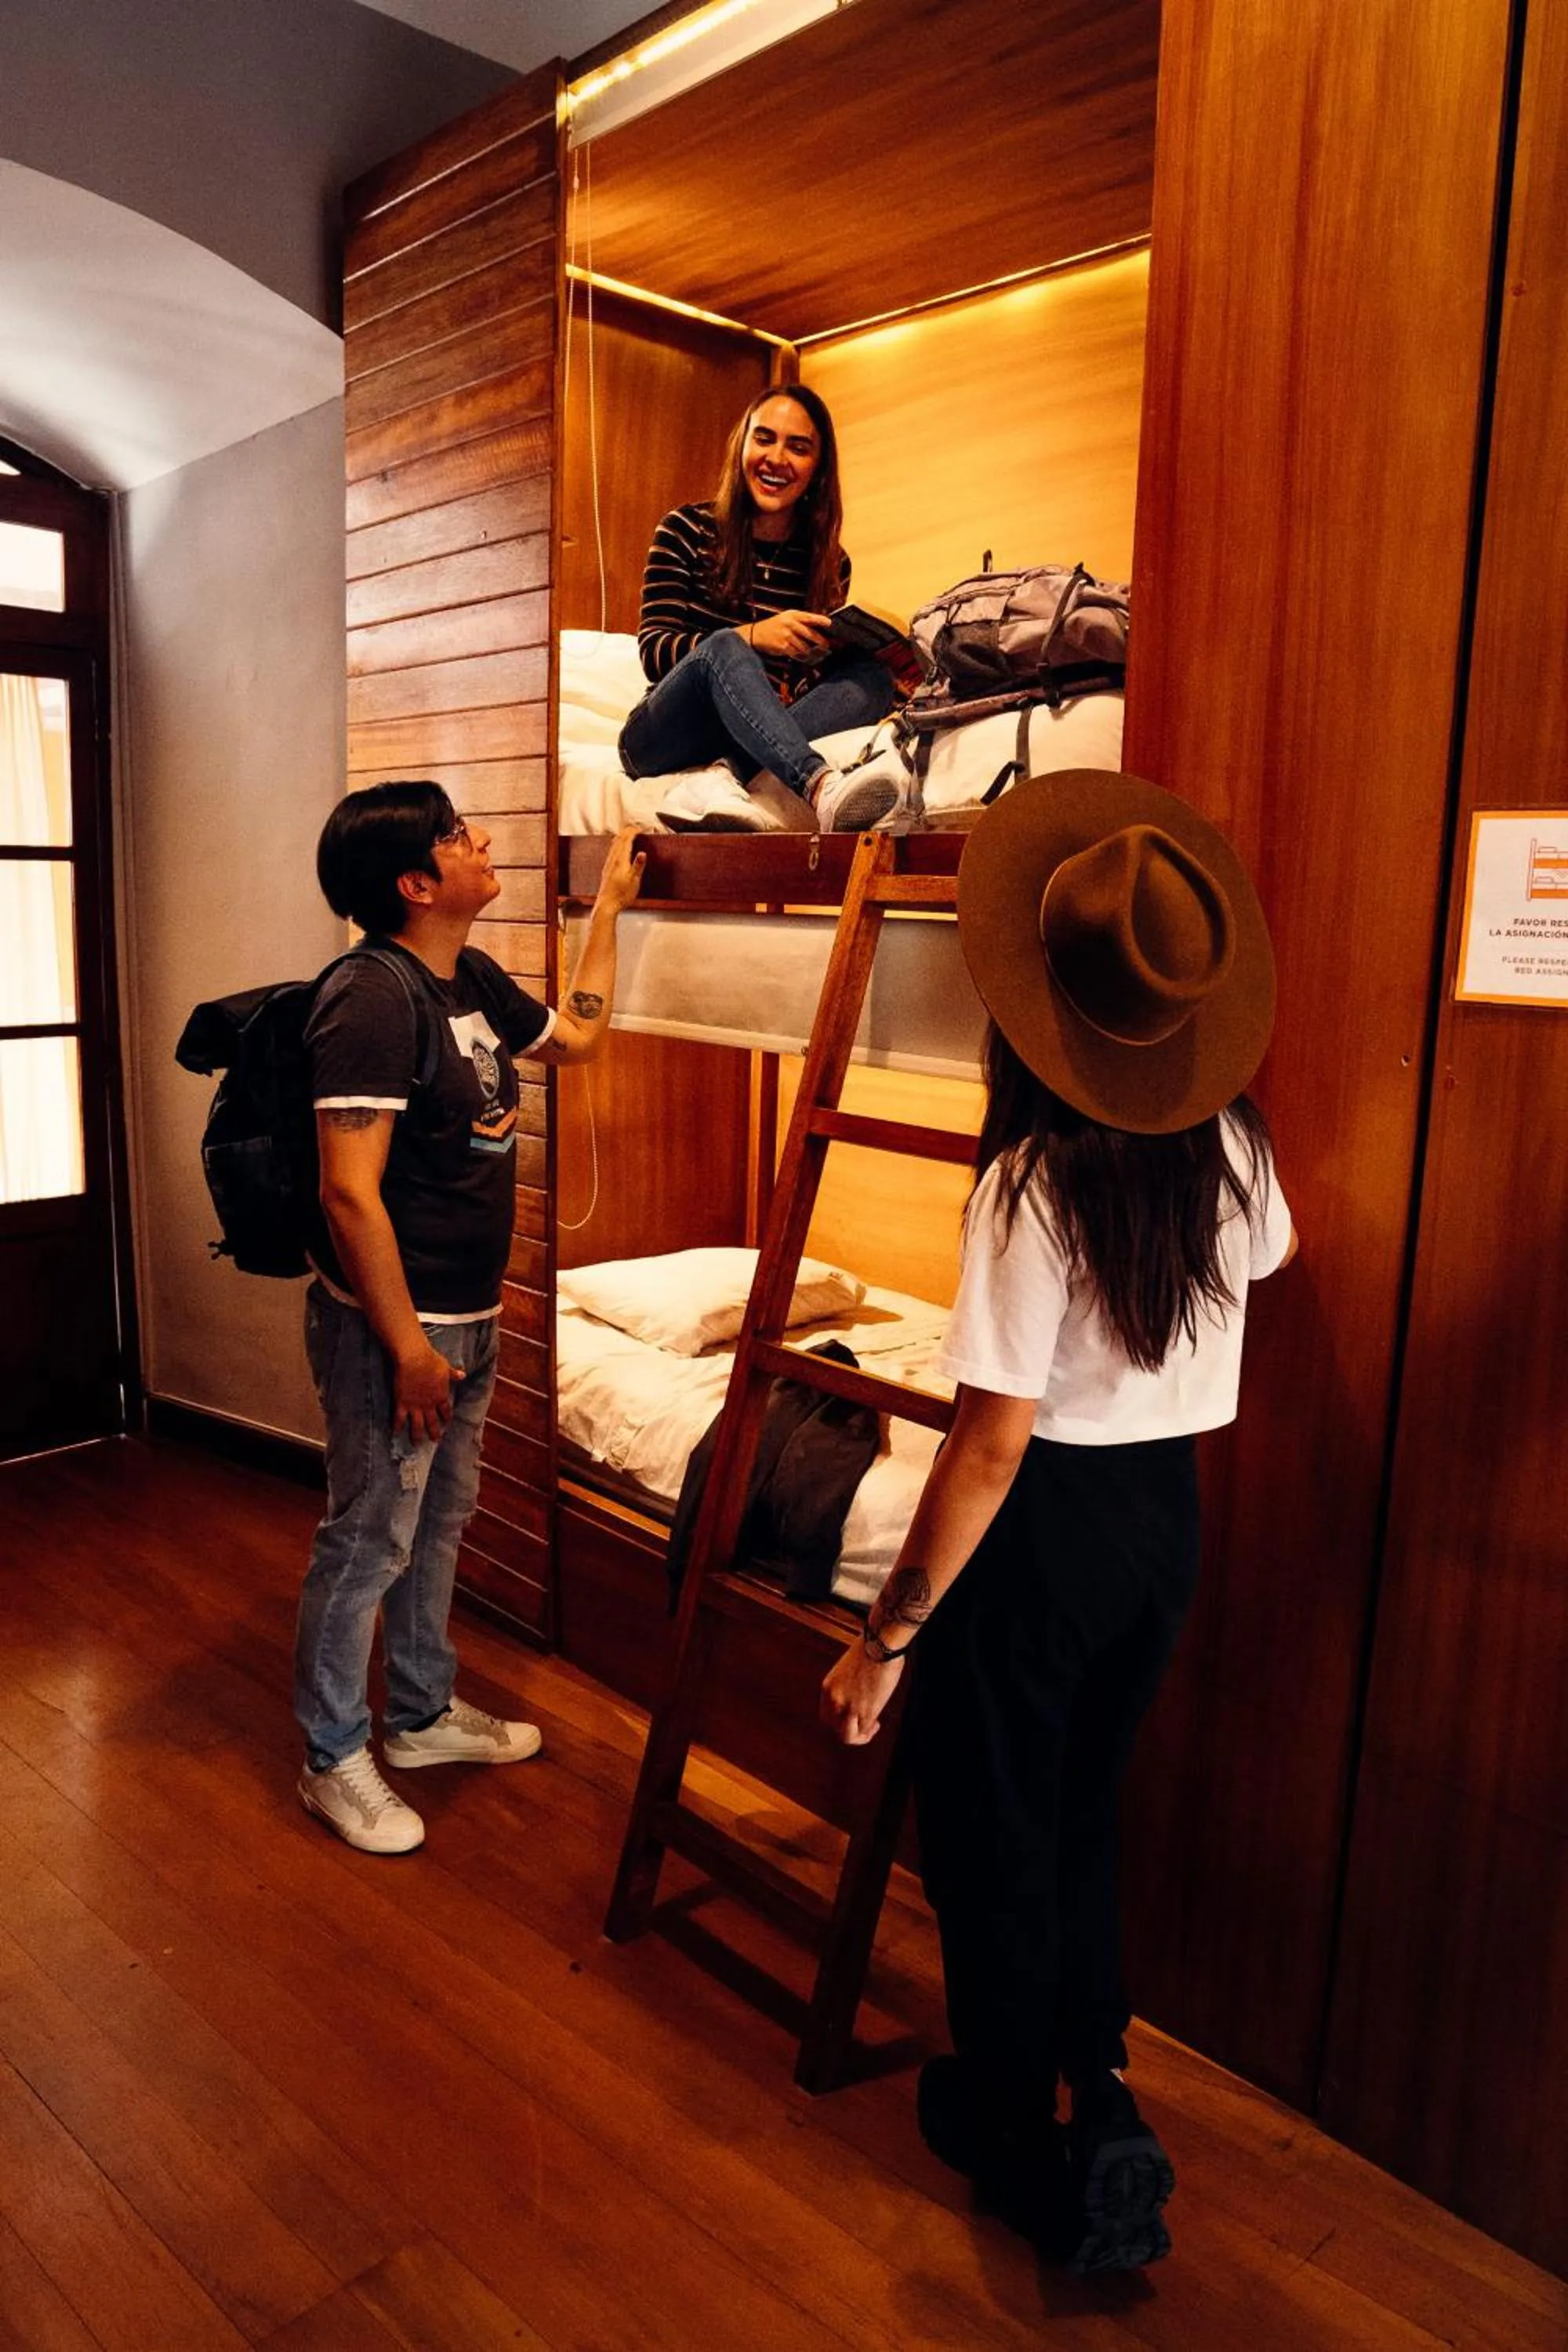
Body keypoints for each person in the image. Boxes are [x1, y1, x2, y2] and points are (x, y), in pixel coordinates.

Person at [820, 769, 1296, 2272]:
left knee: (989, 1834)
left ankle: (1022, 2143)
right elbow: (1268, 1263)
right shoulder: (1232, 1143)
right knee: (1080, 1810)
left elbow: (988, 1446)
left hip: (1047, 1531)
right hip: (1167, 1520)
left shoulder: (1035, 1181)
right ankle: (1099, 2086)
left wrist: (882, 1640)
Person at [296, 782, 644, 1855]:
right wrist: (405, 1348)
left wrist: (611, 910)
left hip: (472, 1313)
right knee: (368, 1540)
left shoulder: (472, 979)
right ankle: (331, 1756)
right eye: (456, 836)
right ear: (416, 883)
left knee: (438, 1524)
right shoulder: (369, 995)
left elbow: (576, 1045)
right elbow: (348, 1193)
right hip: (392, 1329)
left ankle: (419, 1714)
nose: (480, 840)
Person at [618, 382, 902, 833]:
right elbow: (653, 652)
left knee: (871, 681)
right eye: (764, 438)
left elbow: (805, 686)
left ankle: (725, 775)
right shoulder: (685, 529)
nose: (776, 459)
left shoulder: (828, 562)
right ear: (743, 445)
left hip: (750, 729)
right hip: (662, 734)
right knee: (727, 647)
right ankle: (820, 785)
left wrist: (841, 656)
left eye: (799, 447)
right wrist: (755, 635)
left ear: (817, 469)